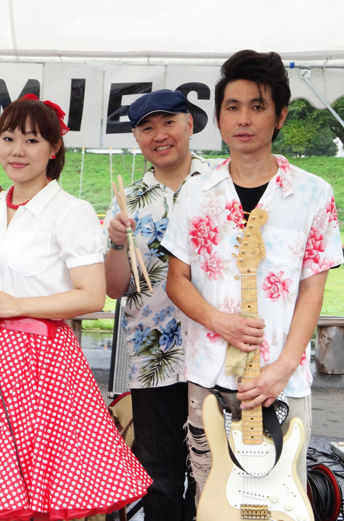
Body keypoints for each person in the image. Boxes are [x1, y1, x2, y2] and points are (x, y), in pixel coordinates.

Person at [0, 94, 151, 521]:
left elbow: (91, 296)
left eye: (31, 140)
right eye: (8, 139)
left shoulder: (70, 212)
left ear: (54, 148)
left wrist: (15, 305)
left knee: (43, 493)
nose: (17, 151)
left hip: (44, 361)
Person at [161, 49, 343, 500]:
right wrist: (219, 321)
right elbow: (176, 279)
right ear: (219, 118)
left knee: (282, 499)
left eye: (257, 106)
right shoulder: (195, 193)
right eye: (232, 107)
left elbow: (312, 291)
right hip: (208, 375)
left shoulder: (313, 194)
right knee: (213, 498)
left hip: (282, 379)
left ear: (280, 116)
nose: (243, 119)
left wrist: (282, 368)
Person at [103, 89, 212, 521]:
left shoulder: (221, 184)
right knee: (160, 480)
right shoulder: (127, 201)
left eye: (169, 122)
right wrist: (116, 243)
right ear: (136, 138)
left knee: (214, 476)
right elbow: (115, 288)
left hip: (215, 355)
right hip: (153, 359)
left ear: (189, 123)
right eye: (147, 128)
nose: (159, 135)